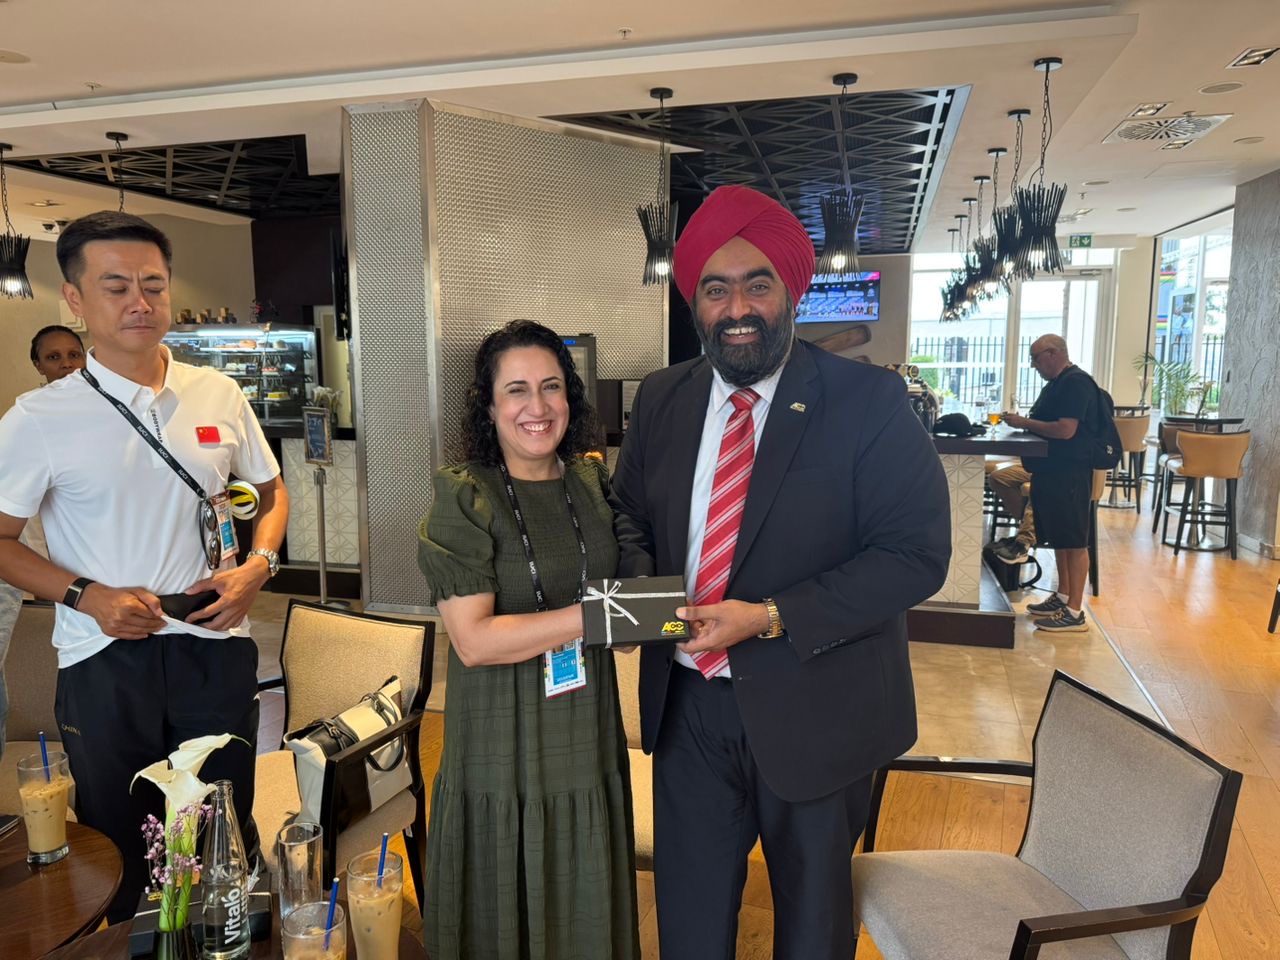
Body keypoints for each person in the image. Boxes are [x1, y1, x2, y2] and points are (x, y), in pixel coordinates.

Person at [610, 185, 951, 960]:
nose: (738, 308)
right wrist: (643, 599)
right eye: (716, 289)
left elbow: (915, 555)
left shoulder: (867, 400)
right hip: (689, 710)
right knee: (690, 929)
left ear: (790, 291)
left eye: (756, 284)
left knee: (812, 934)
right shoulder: (662, 398)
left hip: (820, 708)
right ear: (694, 302)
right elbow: (628, 512)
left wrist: (770, 615)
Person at [0, 211, 289, 922]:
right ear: (75, 299)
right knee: (121, 841)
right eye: (117, 286)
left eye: (153, 285)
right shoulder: (38, 418)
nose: (140, 301)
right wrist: (85, 594)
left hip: (214, 643)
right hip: (104, 656)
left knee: (221, 830)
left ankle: (225, 939)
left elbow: (271, 491)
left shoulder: (216, 392)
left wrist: (258, 565)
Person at [417, 320, 639, 960]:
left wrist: (642, 619)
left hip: (584, 726)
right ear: (489, 407)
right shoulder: (465, 496)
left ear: (571, 395)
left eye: (551, 387)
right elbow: (474, 641)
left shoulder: (592, 484)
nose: (537, 406)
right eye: (516, 390)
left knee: (581, 880)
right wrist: (603, 617)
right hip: (499, 737)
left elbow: (625, 587)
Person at [0, 325, 89, 758]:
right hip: (38, 558)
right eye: (54, 357)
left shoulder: (106, 411)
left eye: (74, 354)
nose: (67, 365)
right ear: (37, 365)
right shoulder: (26, 420)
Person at [1002, 334, 1097, 632]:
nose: (1033, 365)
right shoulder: (1058, 383)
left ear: (1053, 354)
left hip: (1070, 472)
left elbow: (1066, 430)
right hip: (1052, 471)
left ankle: (1075, 612)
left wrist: (1024, 423)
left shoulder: (1076, 383)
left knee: (1075, 541)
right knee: (1060, 537)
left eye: (1036, 358)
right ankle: (1063, 596)